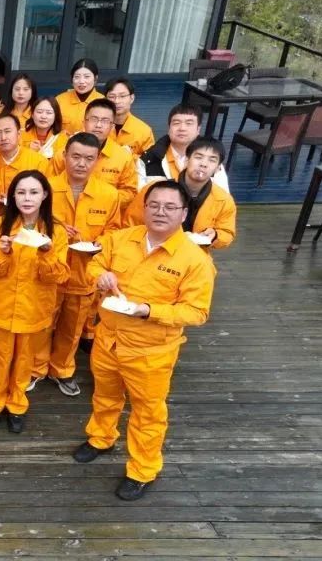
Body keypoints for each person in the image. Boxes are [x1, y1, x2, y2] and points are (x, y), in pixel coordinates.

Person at [75, 180, 215, 501]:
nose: (160, 212)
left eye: (170, 207)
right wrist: (100, 276)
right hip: (108, 339)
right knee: (105, 395)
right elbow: (95, 263)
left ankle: (142, 469)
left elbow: (196, 312)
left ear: (184, 214)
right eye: (154, 205)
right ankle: (101, 437)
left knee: (148, 413)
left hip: (151, 351)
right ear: (144, 207)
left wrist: (149, 310)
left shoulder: (195, 260)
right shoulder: (121, 238)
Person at [0, 170, 69, 434]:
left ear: (45, 195)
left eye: (33, 192)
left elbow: (60, 275)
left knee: (24, 361)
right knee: (1, 358)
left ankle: (17, 404)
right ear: (12, 196)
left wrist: (47, 253)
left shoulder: (56, 231)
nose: (27, 198)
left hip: (34, 309)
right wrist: (2, 253)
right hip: (2, 306)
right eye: (21, 192)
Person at [31, 133, 121, 396]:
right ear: (64, 156)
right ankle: (35, 367)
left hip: (83, 273)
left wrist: (97, 242)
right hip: (48, 270)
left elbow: (114, 232)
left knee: (72, 328)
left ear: (97, 160)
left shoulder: (108, 194)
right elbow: (29, 224)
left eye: (89, 158)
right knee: (41, 323)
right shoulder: (45, 188)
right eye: (76, 156)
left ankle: (62, 369)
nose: (82, 163)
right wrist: (55, 230)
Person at [125, 138, 237, 250]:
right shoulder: (155, 190)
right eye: (198, 157)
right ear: (186, 160)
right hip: (150, 251)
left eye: (212, 160)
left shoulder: (223, 200)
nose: (204, 164)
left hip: (194, 254)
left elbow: (227, 233)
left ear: (218, 168)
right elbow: (130, 225)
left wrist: (215, 235)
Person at [52, 99, 137, 208]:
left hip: (103, 214)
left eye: (105, 121)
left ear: (112, 127)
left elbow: (130, 193)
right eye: (94, 119)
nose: (98, 125)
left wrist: (100, 198)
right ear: (84, 122)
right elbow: (49, 187)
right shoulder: (64, 154)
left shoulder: (123, 157)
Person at [137, 104, 229, 190]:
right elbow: (141, 195)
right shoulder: (149, 159)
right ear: (169, 129)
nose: (182, 128)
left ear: (198, 129)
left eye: (189, 123)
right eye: (176, 123)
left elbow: (222, 196)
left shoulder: (210, 160)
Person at [104, 77, 155, 157]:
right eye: (111, 96)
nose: (117, 101)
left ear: (132, 98)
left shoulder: (144, 131)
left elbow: (150, 161)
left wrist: (128, 156)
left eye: (122, 96)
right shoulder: (97, 126)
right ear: (105, 100)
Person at [56, 58, 103, 135]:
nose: (81, 81)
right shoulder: (60, 100)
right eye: (77, 77)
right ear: (72, 79)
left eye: (86, 76)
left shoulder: (103, 102)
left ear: (95, 79)